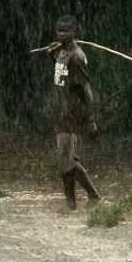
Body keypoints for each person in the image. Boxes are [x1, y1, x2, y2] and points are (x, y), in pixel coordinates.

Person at [40, 14, 100, 210]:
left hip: (73, 113)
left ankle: (93, 195)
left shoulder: (77, 56)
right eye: (59, 30)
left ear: (74, 32)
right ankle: (70, 202)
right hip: (60, 111)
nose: (61, 34)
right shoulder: (62, 52)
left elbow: (86, 90)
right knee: (63, 160)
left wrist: (91, 119)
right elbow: (62, 75)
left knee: (67, 160)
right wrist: (51, 56)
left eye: (65, 31)